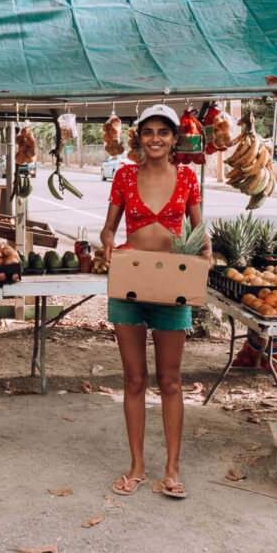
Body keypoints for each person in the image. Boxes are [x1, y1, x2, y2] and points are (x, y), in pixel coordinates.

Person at [100, 104, 211, 499]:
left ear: (174, 139)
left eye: (163, 132)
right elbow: (108, 230)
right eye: (148, 132)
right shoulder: (125, 176)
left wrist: (205, 258)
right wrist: (110, 246)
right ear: (139, 138)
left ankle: (172, 468)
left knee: (170, 380)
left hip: (171, 289)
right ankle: (137, 466)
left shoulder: (187, 179)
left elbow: (200, 233)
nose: (156, 139)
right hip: (130, 284)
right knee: (133, 379)